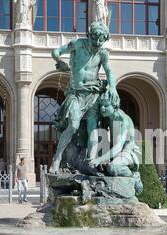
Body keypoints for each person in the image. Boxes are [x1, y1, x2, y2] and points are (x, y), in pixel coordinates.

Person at [49, 22, 120, 173]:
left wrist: (113, 87)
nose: (98, 43)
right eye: (95, 39)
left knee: (92, 130)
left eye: (102, 40)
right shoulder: (77, 44)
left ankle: (91, 161)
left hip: (93, 94)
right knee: (73, 126)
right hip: (76, 92)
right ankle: (57, 159)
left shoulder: (102, 53)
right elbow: (56, 52)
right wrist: (60, 62)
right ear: (89, 36)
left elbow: (109, 72)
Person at [88, 94, 143, 193]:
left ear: (114, 105)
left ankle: (133, 176)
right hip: (113, 152)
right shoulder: (108, 118)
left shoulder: (122, 120)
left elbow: (119, 147)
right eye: (101, 105)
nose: (102, 108)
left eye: (106, 105)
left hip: (127, 152)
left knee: (113, 168)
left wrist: (100, 159)